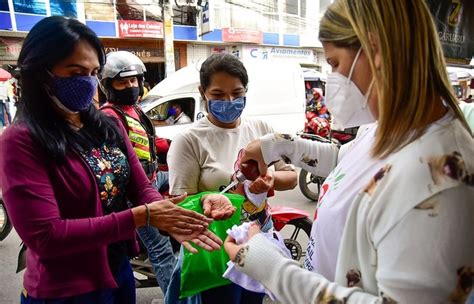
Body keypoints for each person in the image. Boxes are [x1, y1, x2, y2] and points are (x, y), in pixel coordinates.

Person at [224, 1, 474, 303]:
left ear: (377, 49)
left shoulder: (438, 181)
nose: (333, 80)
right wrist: (274, 146)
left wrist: (274, 269)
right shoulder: (386, 126)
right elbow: (346, 161)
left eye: (335, 64)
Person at [0, 16, 232, 304]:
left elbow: (140, 186)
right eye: (75, 71)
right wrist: (141, 216)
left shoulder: (106, 125)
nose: (87, 81)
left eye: (93, 71)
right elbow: (46, 237)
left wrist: (191, 207)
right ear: (40, 72)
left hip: (118, 274)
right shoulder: (20, 140)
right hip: (64, 291)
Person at [165, 53, 297, 304]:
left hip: (257, 242)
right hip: (215, 248)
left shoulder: (261, 130)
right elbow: (180, 201)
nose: (229, 101)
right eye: (218, 95)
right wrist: (211, 198)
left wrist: (269, 178)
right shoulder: (189, 139)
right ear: (202, 91)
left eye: (237, 93)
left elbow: (290, 177)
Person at [98, 50, 176, 293]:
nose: (130, 86)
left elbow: (149, 140)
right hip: (133, 191)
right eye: (123, 82)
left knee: (186, 183)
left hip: (152, 178)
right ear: (109, 86)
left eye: (134, 80)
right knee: (161, 251)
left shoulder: (136, 110)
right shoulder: (110, 116)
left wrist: (176, 144)